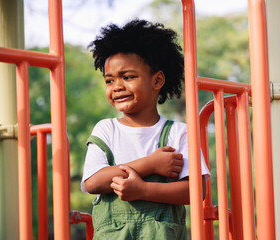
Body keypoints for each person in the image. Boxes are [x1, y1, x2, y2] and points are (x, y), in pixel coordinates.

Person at [81, 19, 210, 239]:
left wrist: (143, 190)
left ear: (157, 80)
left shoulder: (177, 132)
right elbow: (93, 181)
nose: (117, 86)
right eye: (109, 80)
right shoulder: (106, 129)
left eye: (128, 77)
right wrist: (150, 164)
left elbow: (196, 190)